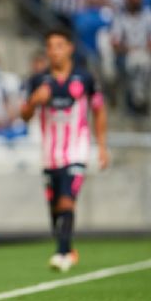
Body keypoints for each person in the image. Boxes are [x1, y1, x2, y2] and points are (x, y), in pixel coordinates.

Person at [20, 29, 108, 273]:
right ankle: (68, 249)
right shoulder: (38, 80)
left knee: (67, 201)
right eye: (50, 46)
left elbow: (99, 110)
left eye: (59, 45)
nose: (54, 51)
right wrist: (34, 101)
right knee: (55, 211)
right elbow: (24, 116)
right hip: (49, 154)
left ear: (69, 48)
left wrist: (101, 146)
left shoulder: (85, 78)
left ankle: (60, 254)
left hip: (76, 151)